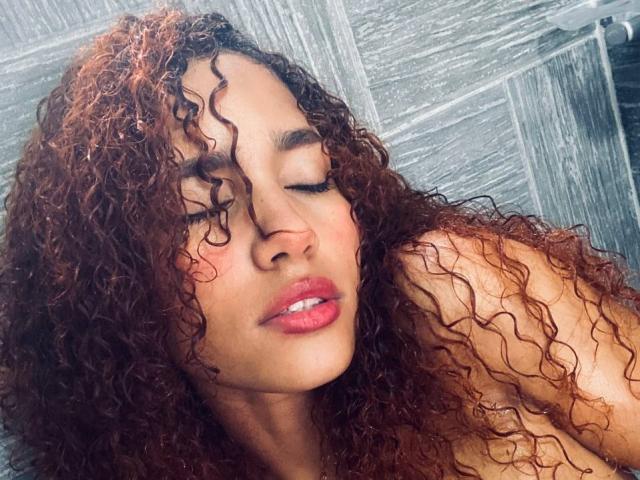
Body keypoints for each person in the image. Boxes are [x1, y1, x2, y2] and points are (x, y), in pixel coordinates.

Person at [0, 8, 638, 480]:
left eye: (310, 179)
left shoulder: (455, 303)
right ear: (114, 283)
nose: (288, 230)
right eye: (207, 207)